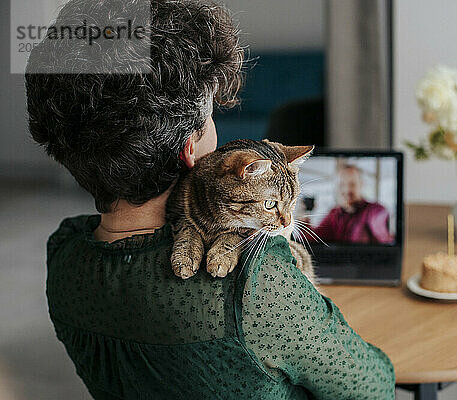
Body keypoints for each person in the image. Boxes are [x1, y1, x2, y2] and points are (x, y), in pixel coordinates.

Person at [26, 1, 395, 399]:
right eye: (210, 116)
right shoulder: (252, 281)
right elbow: (372, 386)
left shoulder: (62, 256)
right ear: (189, 149)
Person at [308, 165, 394, 244]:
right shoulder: (334, 214)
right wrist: (303, 218)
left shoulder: (374, 210)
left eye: (352, 184)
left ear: (361, 184)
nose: (347, 190)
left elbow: (380, 223)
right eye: (341, 185)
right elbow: (315, 239)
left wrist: (381, 232)